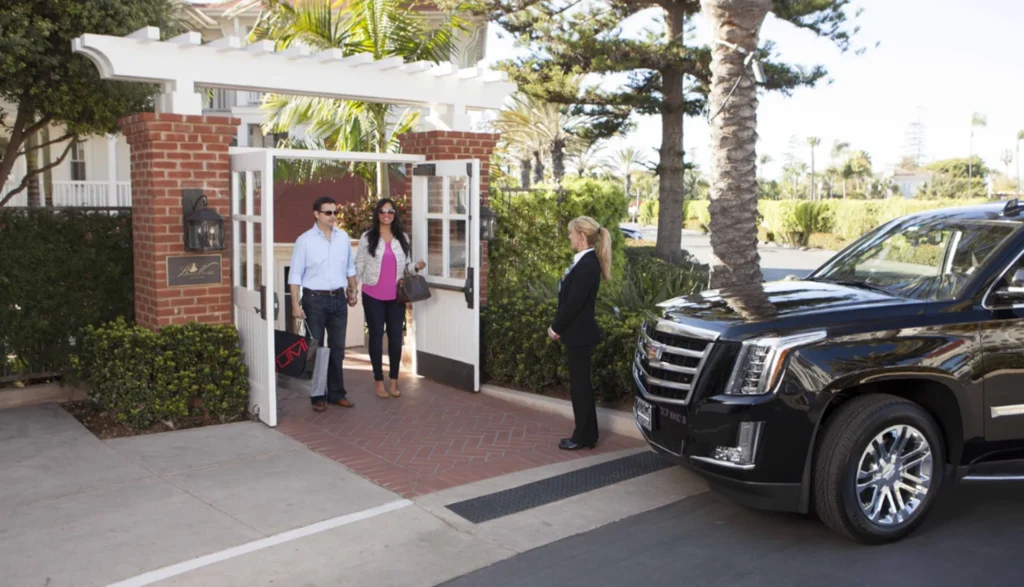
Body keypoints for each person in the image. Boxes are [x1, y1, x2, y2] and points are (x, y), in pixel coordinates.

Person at [547, 216, 612, 450]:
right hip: (577, 334)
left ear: (582, 237)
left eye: (571, 234)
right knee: (580, 386)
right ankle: (587, 434)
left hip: (579, 335)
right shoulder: (585, 262)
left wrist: (555, 327)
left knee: (581, 388)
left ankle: (582, 436)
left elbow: (574, 304)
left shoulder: (586, 265)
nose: (569, 237)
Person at [289, 196, 359, 412]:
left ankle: (337, 393)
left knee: (338, 349)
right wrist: (295, 305)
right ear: (316, 214)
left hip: (338, 299)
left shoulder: (343, 238)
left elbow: (349, 268)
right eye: (328, 213)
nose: (333, 217)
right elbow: (295, 275)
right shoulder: (305, 240)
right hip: (314, 300)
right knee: (316, 349)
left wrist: (353, 290)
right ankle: (317, 395)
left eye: (335, 212)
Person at [354, 198, 425, 399]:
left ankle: (393, 381)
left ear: (395, 215)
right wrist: (351, 287)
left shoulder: (402, 238)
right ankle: (378, 380)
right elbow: (359, 264)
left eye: (390, 211)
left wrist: (416, 267)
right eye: (383, 211)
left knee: (395, 338)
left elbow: (406, 267)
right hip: (372, 295)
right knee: (376, 337)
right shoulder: (368, 237)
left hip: (396, 296)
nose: (386, 215)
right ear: (377, 214)